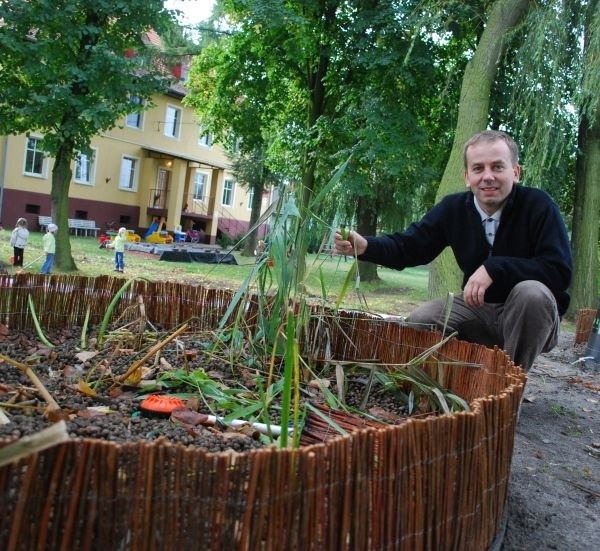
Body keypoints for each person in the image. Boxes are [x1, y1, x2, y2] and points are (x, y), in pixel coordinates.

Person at [334, 130, 572, 372]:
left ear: (515, 172)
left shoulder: (539, 206)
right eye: (478, 169)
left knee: (531, 293)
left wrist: (495, 267)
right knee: (420, 321)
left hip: (532, 315)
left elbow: (559, 271)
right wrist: (366, 246)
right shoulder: (453, 209)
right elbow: (409, 247)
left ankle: (506, 386)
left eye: (497, 167)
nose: (488, 176)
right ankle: (447, 384)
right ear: (467, 177)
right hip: (479, 308)